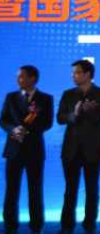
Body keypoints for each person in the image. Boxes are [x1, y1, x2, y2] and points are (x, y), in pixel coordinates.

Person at [57, 60, 100, 234]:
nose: (73, 75)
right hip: (71, 148)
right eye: (73, 73)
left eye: (77, 72)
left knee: (92, 189)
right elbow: (60, 118)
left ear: (87, 74)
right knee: (70, 189)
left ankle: (89, 224)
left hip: (93, 148)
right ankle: (67, 226)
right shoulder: (68, 94)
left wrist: (89, 110)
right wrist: (75, 113)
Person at [1, 65, 53, 234]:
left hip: (34, 150)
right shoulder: (11, 97)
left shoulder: (46, 98)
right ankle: (10, 226)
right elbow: (3, 120)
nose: (19, 79)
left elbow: (47, 123)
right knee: (11, 190)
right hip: (14, 149)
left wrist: (28, 128)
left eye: (22, 76)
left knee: (35, 189)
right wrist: (14, 129)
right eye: (18, 76)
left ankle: (36, 226)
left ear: (33, 78)